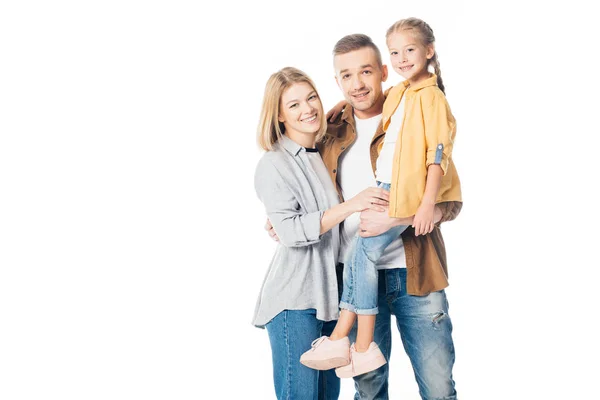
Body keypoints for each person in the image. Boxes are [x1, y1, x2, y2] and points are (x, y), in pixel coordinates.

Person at [266, 27, 462, 399]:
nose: (357, 84)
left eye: (366, 71)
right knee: (368, 388)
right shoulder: (330, 134)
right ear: (337, 80)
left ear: (384, 71)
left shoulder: (413, 116)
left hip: (415, 274)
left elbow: (450, 200)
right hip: (352, 281)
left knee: (438, 388)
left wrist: (400, 218)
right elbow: (306, 187)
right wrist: (281, 213)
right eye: (346, 75)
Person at [252, 66, 394, 400]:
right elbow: (290, 232)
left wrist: (340, 107)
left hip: (331, 300)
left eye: (311, 98)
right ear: (279, 116)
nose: (307, 109)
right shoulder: (274, 163)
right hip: (294, 301)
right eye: (294, 105)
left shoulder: (322, 153)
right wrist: (352, 205)